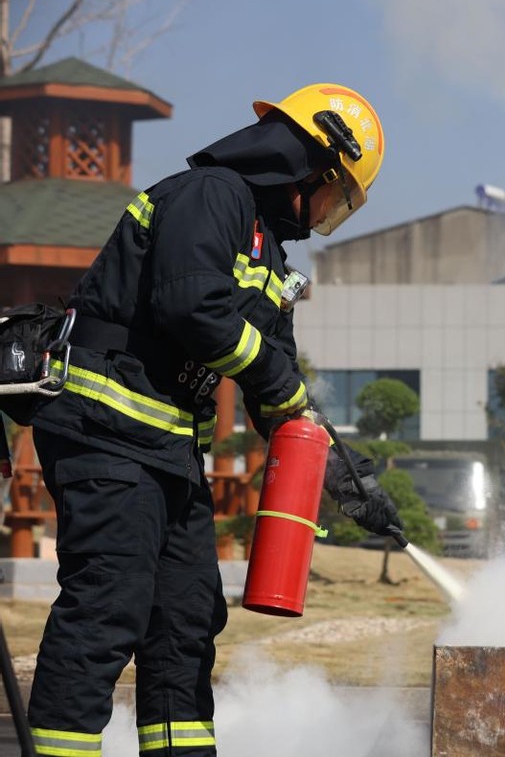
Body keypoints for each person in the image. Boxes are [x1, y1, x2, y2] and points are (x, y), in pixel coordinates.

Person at [25, 83, 406, 756]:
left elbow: (278, 391)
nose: (327, 213)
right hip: (105, 429)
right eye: (336, 194)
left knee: (185, 620)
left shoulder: (269, 257)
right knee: (108, 605)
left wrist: (349, 481)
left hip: (166, 453)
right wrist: (282, 386)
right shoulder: (213, 197)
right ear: (316, 166)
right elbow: (192, 308)